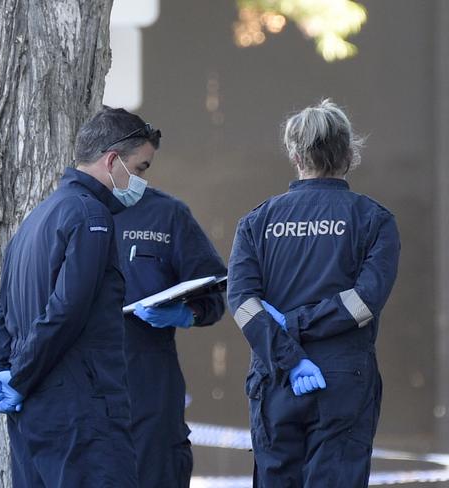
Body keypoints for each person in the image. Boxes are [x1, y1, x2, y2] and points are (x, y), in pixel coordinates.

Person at [0, 107, 161, 487]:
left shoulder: (34, 220)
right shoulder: (90, 216)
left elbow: (0, 317)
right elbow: (67, 311)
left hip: (32, 414)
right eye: (141, 168)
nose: (142, 180)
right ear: (112, 160)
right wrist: (17, 376)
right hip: (83, 415)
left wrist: (2, 376)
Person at [227, 99, 400, 487]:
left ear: (294, 155)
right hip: (343, 381)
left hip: (275, 379)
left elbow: (242, 304)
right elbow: (364, 302)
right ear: (350, 153)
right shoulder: (374, 220)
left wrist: (287, 339)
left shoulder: (257, 222)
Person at [114, 173, 227, 486]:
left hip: (150, 381)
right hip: (85, 383)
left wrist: (186, 314)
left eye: (143, 163)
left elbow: (213, 293)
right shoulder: (71, 212)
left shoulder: (167, 215)